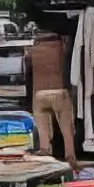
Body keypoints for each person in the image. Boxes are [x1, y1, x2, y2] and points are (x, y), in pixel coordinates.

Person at [25, 29, 74, 162]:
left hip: (39, 94)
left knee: (44, 136)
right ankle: (70, 157)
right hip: (59, 91)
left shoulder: (32, 52)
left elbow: (28, 76)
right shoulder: (61, 50)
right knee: (67, 131)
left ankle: (46, 152)